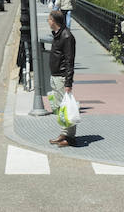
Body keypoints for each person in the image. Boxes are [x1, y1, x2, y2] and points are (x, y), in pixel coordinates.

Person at [47, 10, 76, 147]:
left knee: (66, 108)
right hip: (56, 75)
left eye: (49, 19)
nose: (48, 22)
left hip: (62, 77)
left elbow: (70, 61)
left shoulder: (67, 36)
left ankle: (70, 137)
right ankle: (64, 133)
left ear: (54, 21)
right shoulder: (58, 34)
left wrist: (68, 82)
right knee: (60, 108)